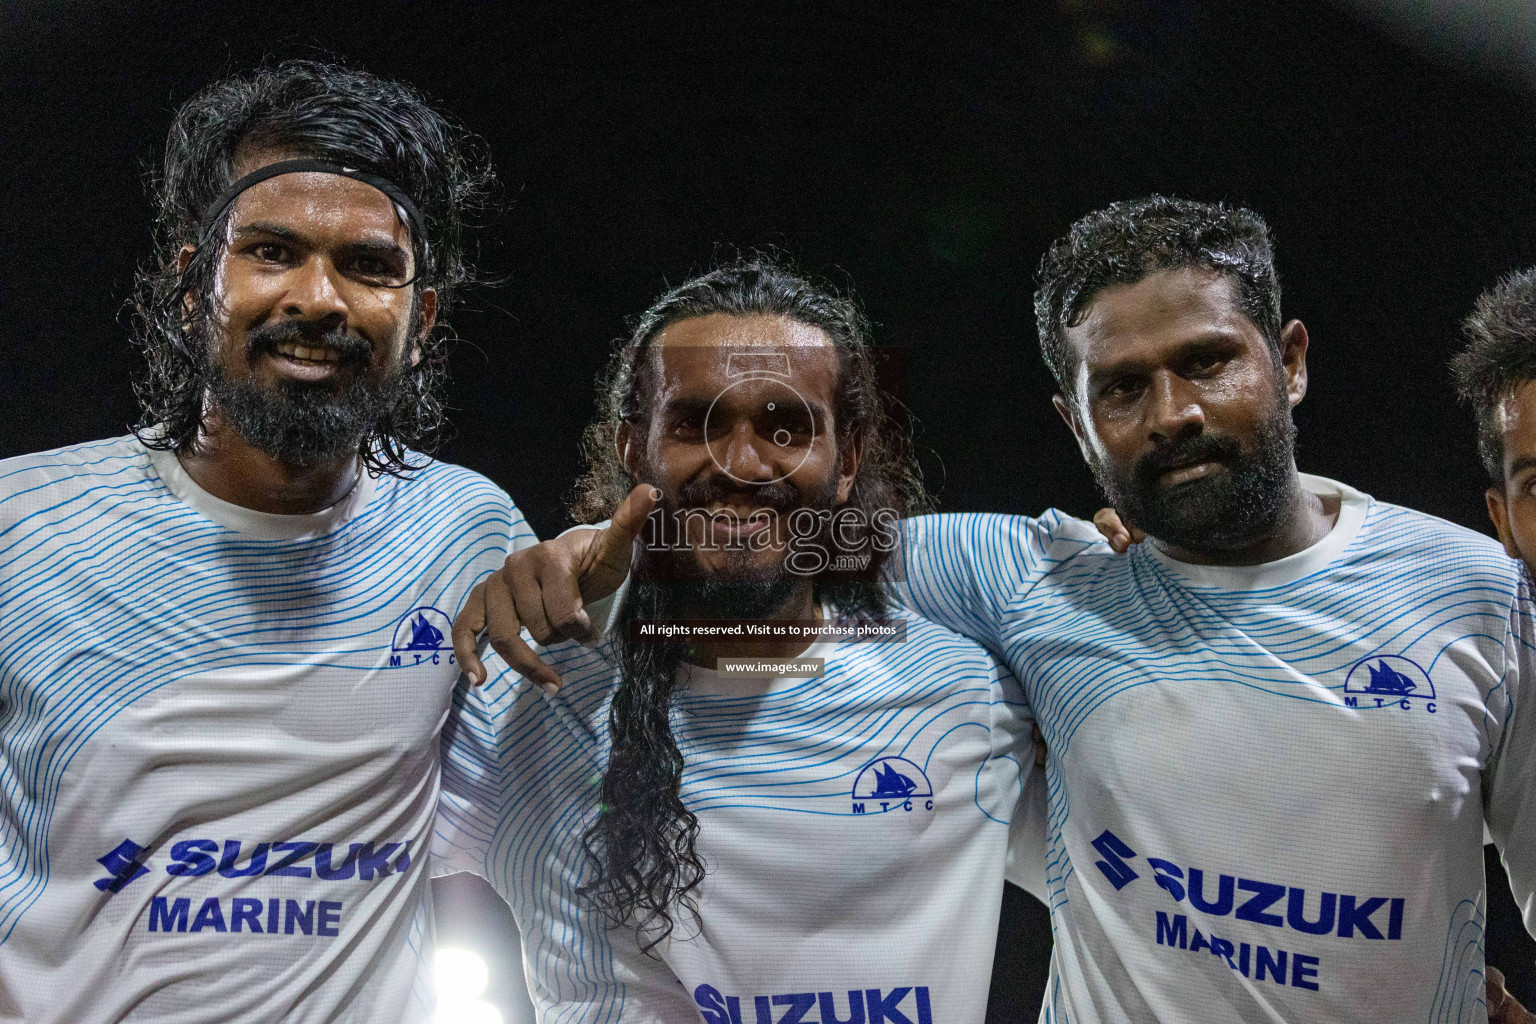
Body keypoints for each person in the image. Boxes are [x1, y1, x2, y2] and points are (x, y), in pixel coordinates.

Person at [472, 199, 1536, 1022]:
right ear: (1074, 424)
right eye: (1121, 387)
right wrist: (589, 565)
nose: (1175, 413)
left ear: (1289, 360)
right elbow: (755, 553)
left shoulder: (1478, 591)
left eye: (1208, 360)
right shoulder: (1027, 580)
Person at [0, 60, 532, 1022]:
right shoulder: (19, 528)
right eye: (273, 251)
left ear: (425, 319)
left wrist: (634, 611)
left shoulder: (468, 531)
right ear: (193, 279)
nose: (319, 298)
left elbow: (552, 821)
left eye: (370, 266)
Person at [438, 257, 1040, 1023]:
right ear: (633, 449)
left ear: (847, 460)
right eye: (695, 424)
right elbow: (306, 855)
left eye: (786, 426)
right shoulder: (529, 708)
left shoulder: (964, 693)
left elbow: (1148, 882)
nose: (742, 464)